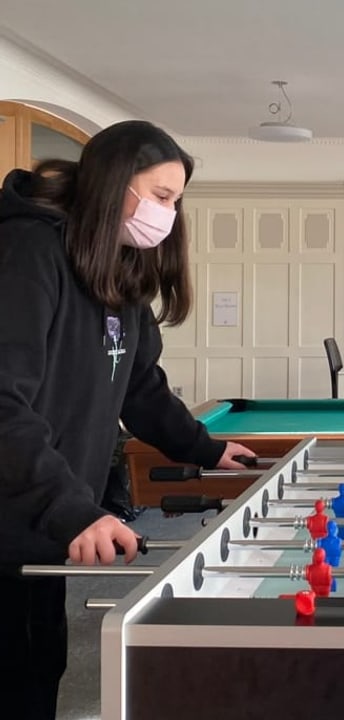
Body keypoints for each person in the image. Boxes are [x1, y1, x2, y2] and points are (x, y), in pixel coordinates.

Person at [0, 120, 254, 720]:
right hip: (17, 513)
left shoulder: (117, 268)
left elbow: (139, 387)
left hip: (47, 520)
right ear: (117, 185)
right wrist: (73, 508)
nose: (168, 214)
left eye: (175, 201)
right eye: (161, 196)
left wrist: (203, 447)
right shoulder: (29, 252)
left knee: (41, 669)